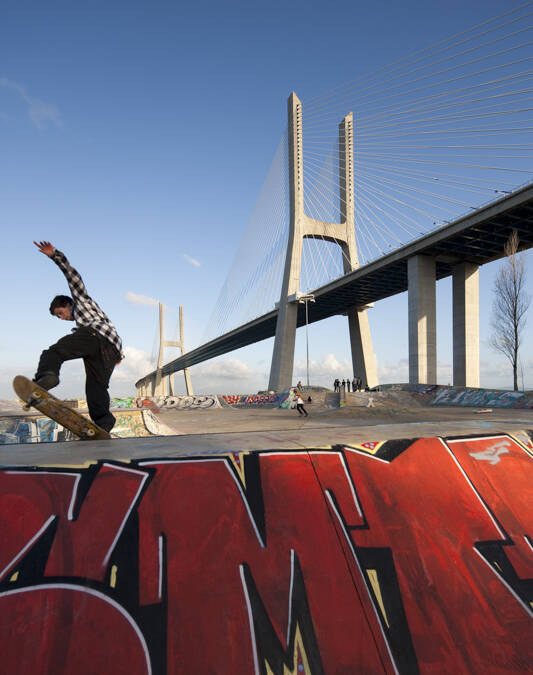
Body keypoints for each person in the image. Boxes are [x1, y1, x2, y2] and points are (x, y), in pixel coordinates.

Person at [32, 241, 123, 432]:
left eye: (60, 313)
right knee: (96, 388)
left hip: (94, 335)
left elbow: (72, 276)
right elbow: (114, 339)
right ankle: (103, 425)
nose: (63, 318)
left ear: (67, 304)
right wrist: (116, 357)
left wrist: (55, 255)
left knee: (53, 352)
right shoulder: (86, 320)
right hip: (110, 350)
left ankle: (47, 376)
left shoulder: (80, 300)